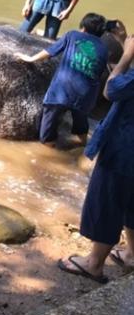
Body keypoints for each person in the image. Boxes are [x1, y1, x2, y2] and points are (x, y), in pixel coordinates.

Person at [57, 33, 134, 283]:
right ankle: (132, 254)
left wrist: (126, 56)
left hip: (123, 149)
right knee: (131, 202)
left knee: (107, 201)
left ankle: (94, 264)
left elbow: (111, 90)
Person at [15, 13, 109, 146]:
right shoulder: (104, 48)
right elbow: (99, 72)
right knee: (81, 125)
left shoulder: (72, 35)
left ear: (83, 28)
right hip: (86, 95)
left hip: (61, 91)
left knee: (47, 134)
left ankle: (49, 149)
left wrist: (30, 59)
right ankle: (83, 148)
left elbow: (50, 51)